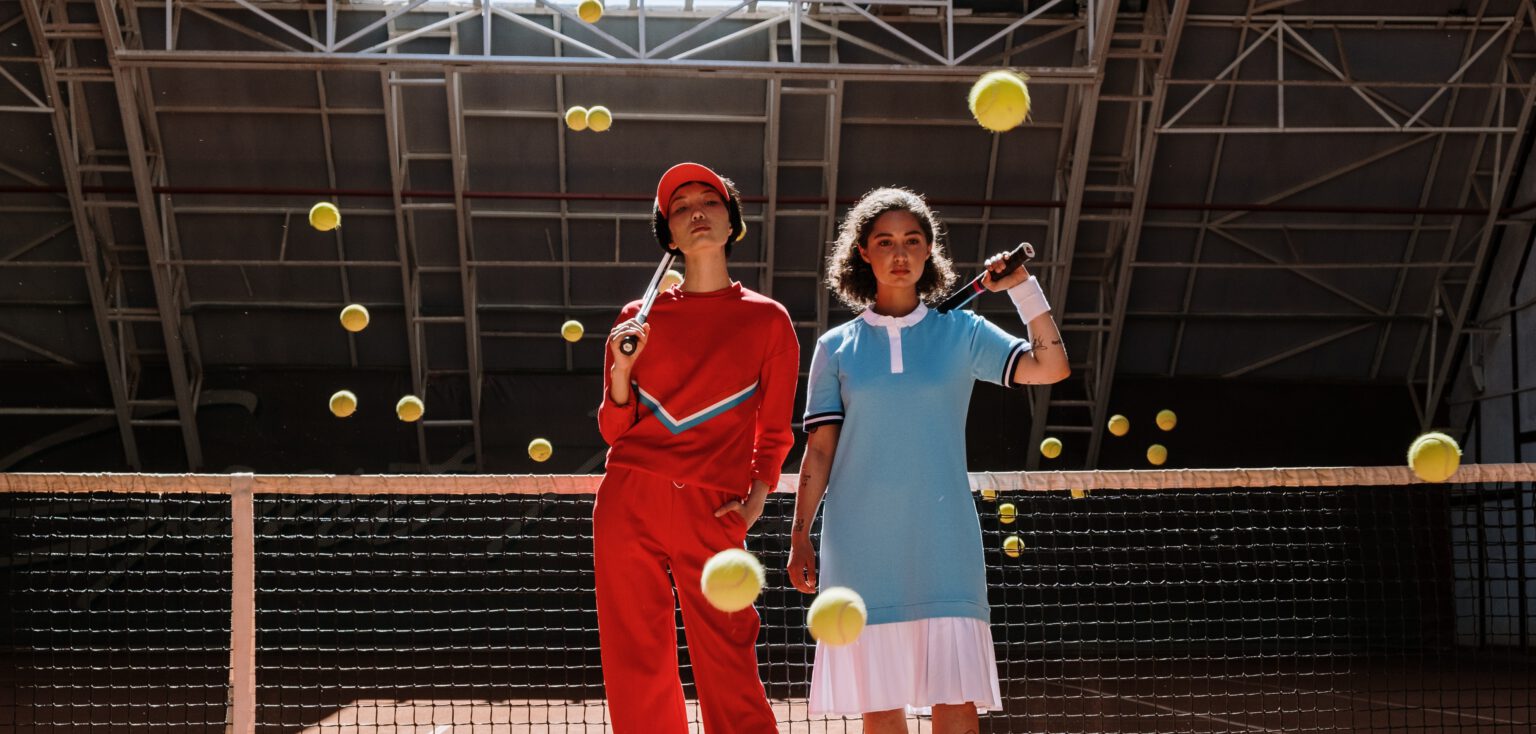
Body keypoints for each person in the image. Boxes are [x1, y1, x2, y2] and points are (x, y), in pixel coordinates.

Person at [786, 187, 1070, 733]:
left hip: (944, 539)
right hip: (858, 543)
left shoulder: (963, 332)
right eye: (885, 242)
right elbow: (819, 450)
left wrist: (1023, 289)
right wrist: (800, 535)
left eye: (913, 241)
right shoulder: (835, 348)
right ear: (863, 253)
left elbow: (1051, 367)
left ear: (929, 252)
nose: (900, 253)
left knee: (955, 699)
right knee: (880, 703)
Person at [593, 162, 798, 734]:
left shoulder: (768, 320)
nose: (696, 211)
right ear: (670, 234)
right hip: (630, 499)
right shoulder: (637, 320)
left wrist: (758, 496)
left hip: (713, 507)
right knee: (636, 659)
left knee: (728, 653)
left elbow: (775, 431)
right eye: (681, 207)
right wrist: (622, 371)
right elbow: (614, 431)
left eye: (709, 200)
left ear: (732, 222)